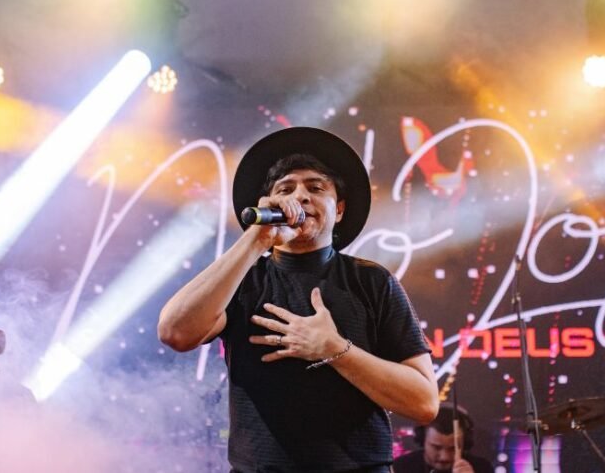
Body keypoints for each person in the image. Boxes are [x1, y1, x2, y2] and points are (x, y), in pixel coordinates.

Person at [158, 127, 439, 472]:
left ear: (339, 210)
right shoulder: (242, 279)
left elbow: (424, 403)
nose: (300, 196)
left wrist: (334, 348)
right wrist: (257, 240)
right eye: (285, 189)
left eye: (315, 188)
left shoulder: (372, 281)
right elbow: (175, 332)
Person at [393, 404, 494, 473]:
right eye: (436, 447)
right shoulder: (401, 467)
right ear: (422, 439)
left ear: (465, 443)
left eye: (453, 448)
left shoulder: (482, 468)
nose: (444, 457)